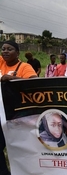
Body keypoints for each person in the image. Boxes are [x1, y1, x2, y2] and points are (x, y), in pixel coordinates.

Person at [0, 40, 37, 175]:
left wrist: (13, 79)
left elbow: (35, 83)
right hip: (1, 113)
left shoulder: (24, 67)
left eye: (9, 49)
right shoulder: (1, 62)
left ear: (17, 53)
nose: (5, 51)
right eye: (3, 49)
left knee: (19, 150)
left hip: (16, 116)